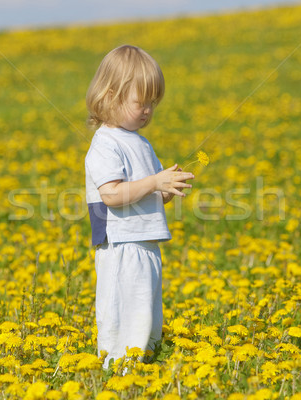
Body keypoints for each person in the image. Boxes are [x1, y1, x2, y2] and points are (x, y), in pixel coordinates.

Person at [84, 45, 194, 369]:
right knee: (123, 311)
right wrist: (154, 183)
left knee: (146, 311)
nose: (147, 110)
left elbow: (148, 192)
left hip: (144, 241)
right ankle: (117, 368)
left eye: (152, 103)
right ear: (111, 96)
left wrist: (167, 188)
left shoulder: (140, 142)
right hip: (120, 244)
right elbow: (112, 195)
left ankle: (143, 364)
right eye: (140, 102)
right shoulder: (106, 143)